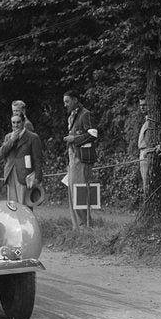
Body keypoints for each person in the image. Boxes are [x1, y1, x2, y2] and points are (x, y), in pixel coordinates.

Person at [62, 90, 98, 229]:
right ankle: (76, 226)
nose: (65, 105)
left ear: (75, 100)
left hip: (82, 160)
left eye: (67, 101)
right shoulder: (72, 116)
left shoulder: (85, 114)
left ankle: (84, 226)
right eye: (64, 102)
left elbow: (93, 134)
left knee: (80, 192)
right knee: (72, 193)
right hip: (73, 159)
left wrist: (74, 139)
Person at [0, 115, 44, 207]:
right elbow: (2, 153)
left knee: (25, 205)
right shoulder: (8, 137)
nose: (16, 125)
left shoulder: (32, 137)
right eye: (13, 122)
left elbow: (38, 159)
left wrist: (37, 178)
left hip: (25, 176)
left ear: (23, 122)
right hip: (10, 174)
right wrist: (11, 140)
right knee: (12, 206)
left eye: (18, 122)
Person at [137, 97, 159, 197]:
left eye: (145, 105)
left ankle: (147, 202)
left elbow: (151, 142)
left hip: (146, 154)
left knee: (147, 183)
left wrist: (147, 152)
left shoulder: (151, 121)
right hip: (143, 153)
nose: (142, 107)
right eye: (141, 105)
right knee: (145, 182)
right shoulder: (146, 121)